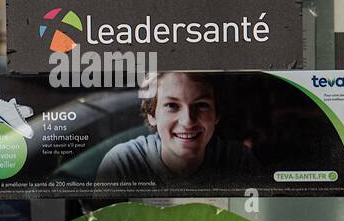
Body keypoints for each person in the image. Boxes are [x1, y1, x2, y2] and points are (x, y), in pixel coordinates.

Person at [95, 71, 259, 190]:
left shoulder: (240, 162)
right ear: (152, 113)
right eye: (172, 106)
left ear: (217, 114)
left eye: (201, 105)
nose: (188, 121)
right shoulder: (123, 164)